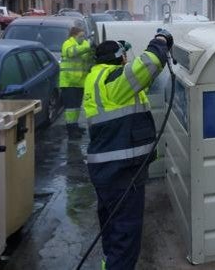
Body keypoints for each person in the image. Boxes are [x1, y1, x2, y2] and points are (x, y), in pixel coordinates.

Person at [83, 30, 172, 270]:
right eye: (124, 57)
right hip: (120, 173)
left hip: (106, 171)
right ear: (118, 58)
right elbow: (149, 62)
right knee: (126, 236)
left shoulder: (97, 78)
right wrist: (161, 41)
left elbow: (146, 76)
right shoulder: (113, 80)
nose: (126, 61)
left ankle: (108, 265)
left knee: (112, 229)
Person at [60, 26, 93, 138]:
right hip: (68, 82)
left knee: (76, 107)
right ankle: (71, 130)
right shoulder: (67, 43)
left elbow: (87, 58)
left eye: (84, 36)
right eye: (80, 36)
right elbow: (70, 53)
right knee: (70, 108)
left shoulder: (84, 44)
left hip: (79, 82)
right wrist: (88, 48)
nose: (83, 38)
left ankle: (75, 126)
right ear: (73, 36)